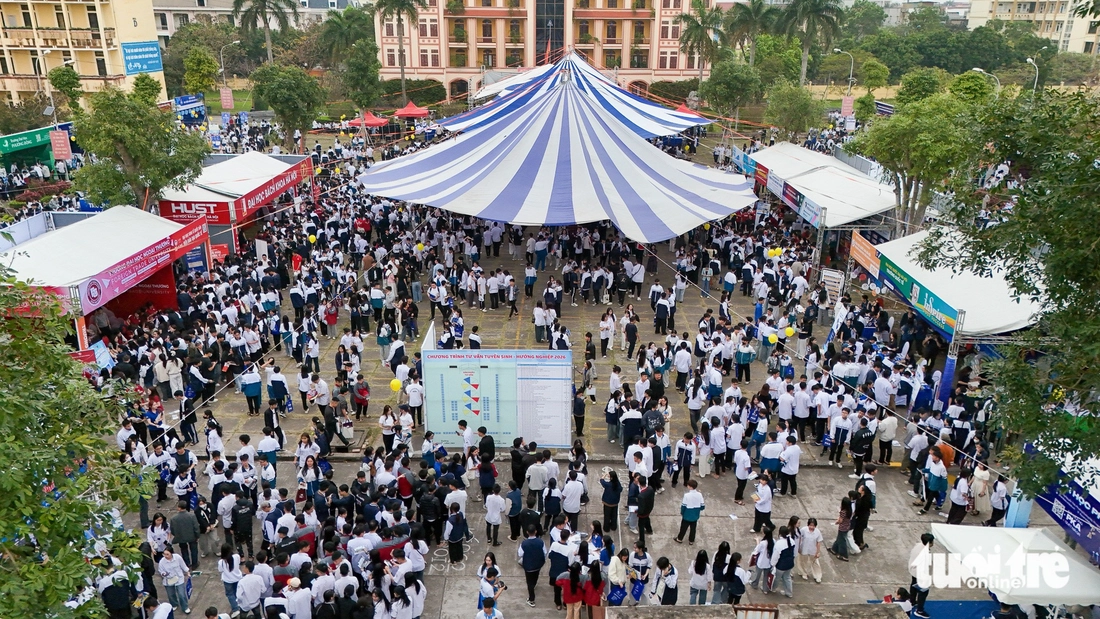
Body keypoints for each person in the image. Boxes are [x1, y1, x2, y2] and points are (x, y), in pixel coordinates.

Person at [157, 545, 192, 615]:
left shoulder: (177, 557)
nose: (166, 556)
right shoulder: (162, 562)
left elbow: (183, 565)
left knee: (181, 594)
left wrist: (187, 572)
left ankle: (185, 607)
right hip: (168, 579)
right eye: (164, 554)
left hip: (179, 578)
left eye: (167, 554)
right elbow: (161, 571)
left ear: (171, 553)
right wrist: (164, 574)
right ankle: (174, 604)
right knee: (171, 594)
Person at [518, 525, 546, 607]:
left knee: (529, 582)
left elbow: (520, 554)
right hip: (538, 564)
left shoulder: (524, 543)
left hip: (528, 566)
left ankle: (531, 599)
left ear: (527, 532)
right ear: (536, 531)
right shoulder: (541, 542)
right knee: (536, 575)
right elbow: (545, 552)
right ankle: (534, 583)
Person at [908, 533, 935, 618]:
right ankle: (919, 610)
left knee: (913, 584)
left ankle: (912, 601)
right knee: (923, 591)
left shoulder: (918, 545)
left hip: (912, 569)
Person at [673, 479, 704, 545]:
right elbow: (702, 506)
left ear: (690, 487)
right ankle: (691, 540)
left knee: (683, 528)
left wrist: (682, 512)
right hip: (695, 515)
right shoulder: (699, 494)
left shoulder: (687, 495)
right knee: (693, 528)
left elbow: (683, 506)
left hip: (687, 515)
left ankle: (680, 538)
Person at [769, 526, 796, 598]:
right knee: (787, 578)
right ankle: (789, 593)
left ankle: (773, 588)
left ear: (780, 533)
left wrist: (772, 564)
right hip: (790, 563)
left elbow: (775, 556)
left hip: (781, 566)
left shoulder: (779, 543)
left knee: (777, 578)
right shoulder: (791, 541)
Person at [796, 517, 824, 584]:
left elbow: (818, 542)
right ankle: (804, 573)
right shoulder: (803, 530)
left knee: (815, 563)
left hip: (813, 550)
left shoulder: (817, 532)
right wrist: (799, 548)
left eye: (813, 526)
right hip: (804, 549)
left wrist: (818, 552)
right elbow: (799, 538)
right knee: (802, 561)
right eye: (810, 525)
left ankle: (818, 576)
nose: (811, 527)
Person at [747, 527, 774, 592]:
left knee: (757, 574)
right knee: (766, 576)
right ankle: (765, 589)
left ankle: (755, 584)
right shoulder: (773, 541)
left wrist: (757, 541)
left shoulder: (763, 543)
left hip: (761, 562)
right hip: (768, 562)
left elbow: (757, 550)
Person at [828, 495, 853, 562]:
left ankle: (844, 555)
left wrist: (837, 521)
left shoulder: (843, 512)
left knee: (842, 541)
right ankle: (834, 549)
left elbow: (840, 520)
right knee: (839, 539)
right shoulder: (849, 511)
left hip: (842, 528)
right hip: (847, 526)